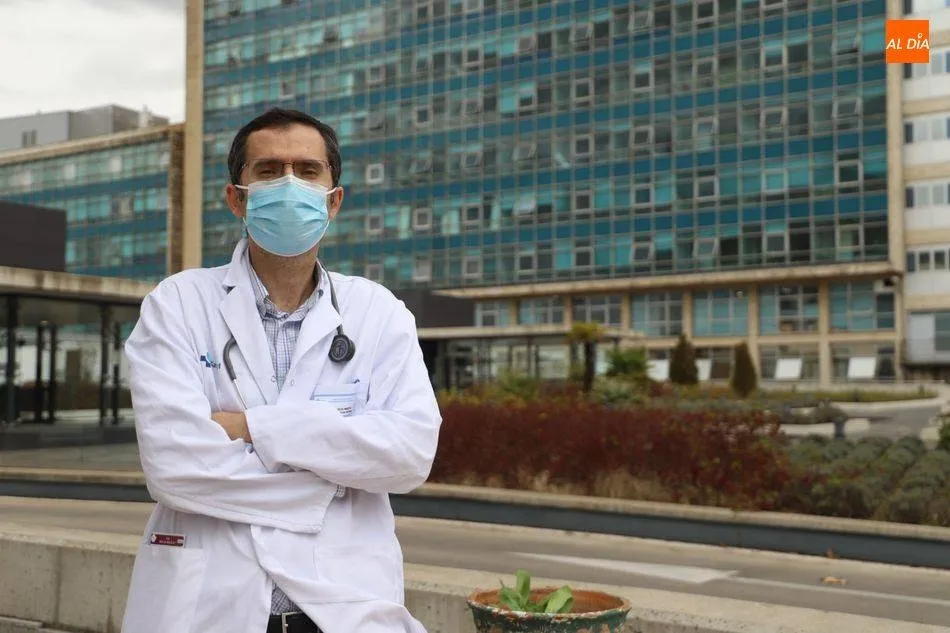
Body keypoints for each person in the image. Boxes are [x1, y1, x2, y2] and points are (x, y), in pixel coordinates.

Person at [120, 107, 443, 633]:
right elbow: (176, 467)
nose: (289, 184)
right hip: (211, 607)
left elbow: (410, 453)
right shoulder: (177, 304)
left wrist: (253, 428)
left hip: (345, 608)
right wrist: (335, 483)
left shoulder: (378, 312)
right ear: (236, 197)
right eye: (269, 171)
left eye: (308, 170)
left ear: (333, 200)